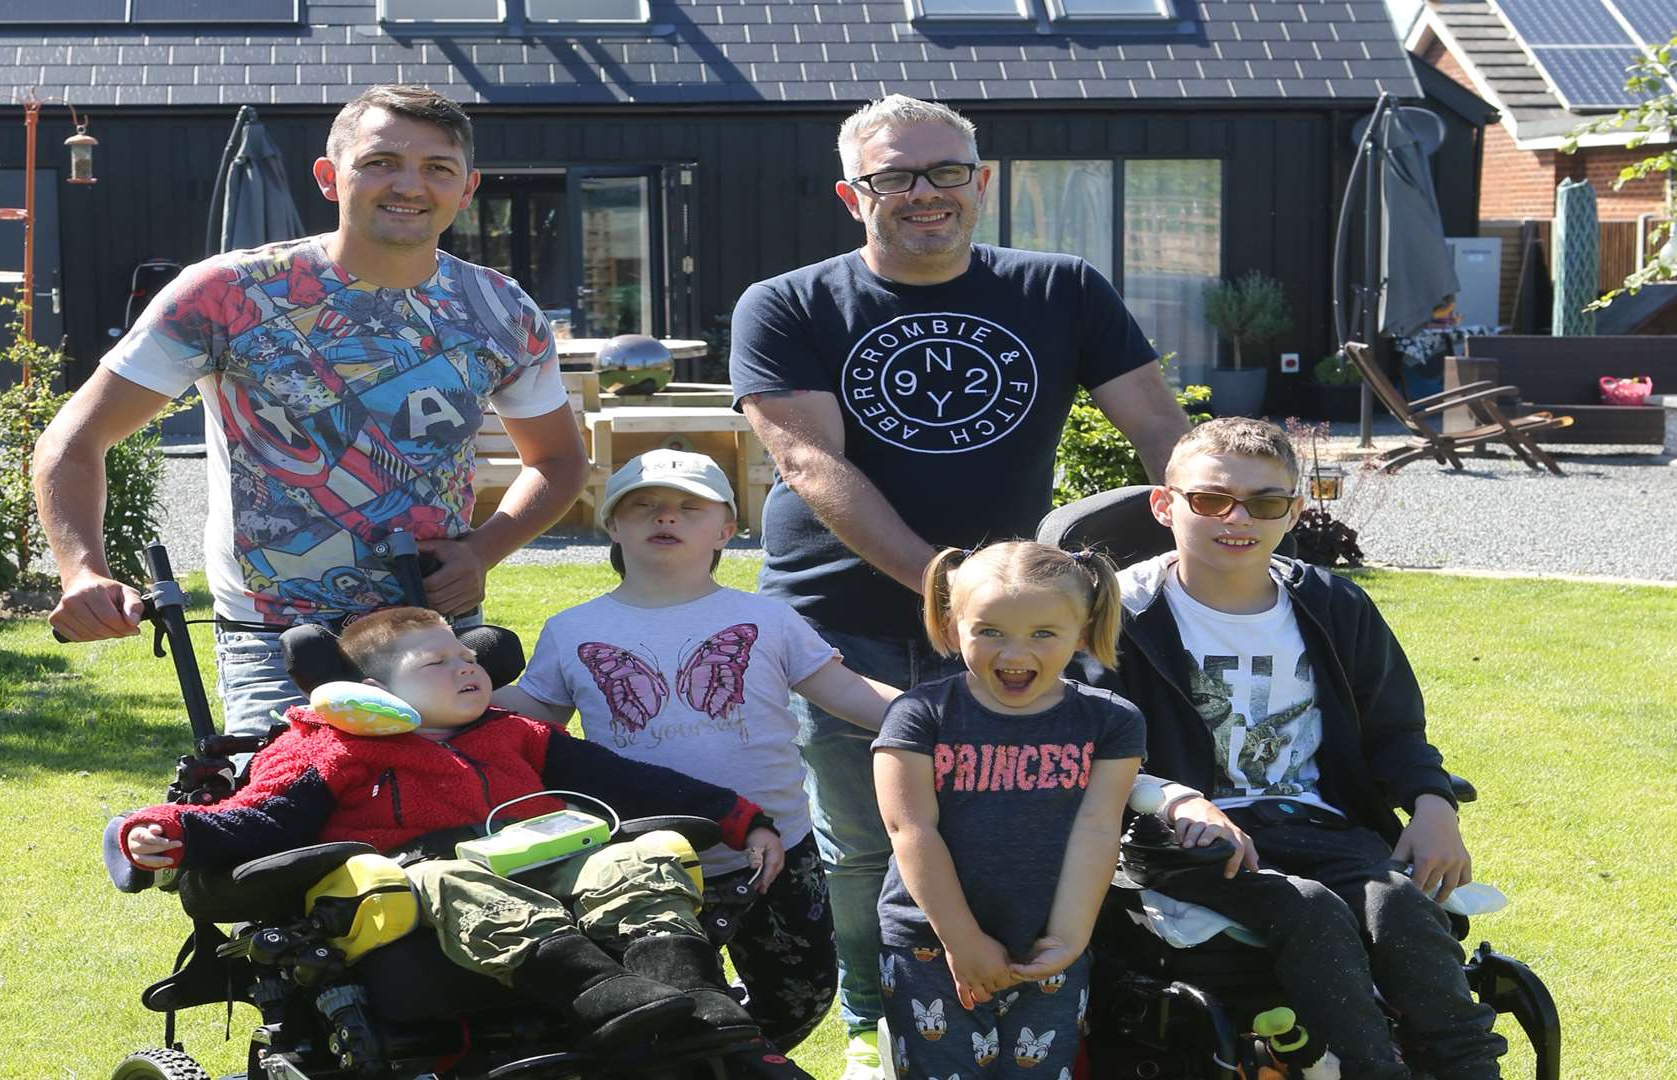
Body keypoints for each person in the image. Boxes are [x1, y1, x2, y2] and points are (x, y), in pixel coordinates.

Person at [727, 92, 1190, 1077]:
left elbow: (1158, 426)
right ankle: (870, 1018)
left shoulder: (1061, 289)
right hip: (839, 615)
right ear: (855, 194)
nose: (924, 193)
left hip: (1014, 630)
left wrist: (1215, 522)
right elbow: (813, 468)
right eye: (896, 176)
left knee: (1033, 821)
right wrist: (944, 585)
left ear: (981, 184)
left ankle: (1039, 998)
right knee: (867, 838)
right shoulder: (789, 304)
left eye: (944, 172)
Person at [34, 84, 589, 738]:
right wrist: (83, 569)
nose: (409, 185)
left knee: (458, 820)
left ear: (467, 189)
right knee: (289, 825)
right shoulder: (226, 294)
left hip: (433, 633)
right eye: (381, 161)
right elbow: (74, 439)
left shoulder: (501, 310)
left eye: (437, 168)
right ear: (330, 177)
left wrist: (484, 551)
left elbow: (557, 460)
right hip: (276, 641)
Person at [120, 606, 782, 1049]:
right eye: (437, 662)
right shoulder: (332, 747)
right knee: (448, 876)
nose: (466, 667)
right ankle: (598, 993)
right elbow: (262, 817)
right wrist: (164, 828)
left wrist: (740, 817)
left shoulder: (515, 734)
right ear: (370, 690)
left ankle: (693, 997)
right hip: (417, 884)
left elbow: (630, 780)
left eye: (467, 656)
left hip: (543, 859)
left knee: (634, 859)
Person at [1093, 418, 1505, 1080]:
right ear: (1165, 505)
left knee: (1402, 903)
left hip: (1319, 821)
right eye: (1210, 500)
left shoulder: (1333, 605)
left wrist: (1433, 804)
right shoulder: (1116, 613)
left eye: (1264, 502)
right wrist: (1171, 799)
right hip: (1183, 838)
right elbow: (1085, 741)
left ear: (1295, 510)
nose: (1237, 518)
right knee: (1306, 909)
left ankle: (1469, 1070)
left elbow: (1394, 730)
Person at [494, 449, 902, 1051]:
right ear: (613, 525)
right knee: (664, 1011)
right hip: (643, 864)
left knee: (802, 997)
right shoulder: (572, 628)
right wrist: (430, 702)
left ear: (726, 529)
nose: (666, 518)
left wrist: (943, 719)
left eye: (689, 507)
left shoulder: (766, 618)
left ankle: (740, 1056)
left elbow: (844, 691)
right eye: (644, 507)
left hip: (778, 852)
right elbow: (532, 715)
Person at [872, 540, 1142, 1078]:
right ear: (952, 627)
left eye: (1043, 633)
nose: (1015, 654)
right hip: (930, 944)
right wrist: (963, 940)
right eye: (990, 631)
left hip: (1047, 946)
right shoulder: (919, 715)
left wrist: (1066, 940)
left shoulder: (1111, 721)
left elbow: (1098, 827)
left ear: (1083, 631)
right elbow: (911, 829)